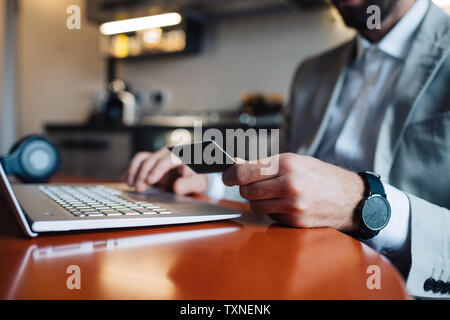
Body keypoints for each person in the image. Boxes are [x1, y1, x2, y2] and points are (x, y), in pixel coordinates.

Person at [124, 0, 450, 299]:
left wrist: (365, 204)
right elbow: (288, 187)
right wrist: (210, 181)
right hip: (294, 279)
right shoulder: (311, 72)